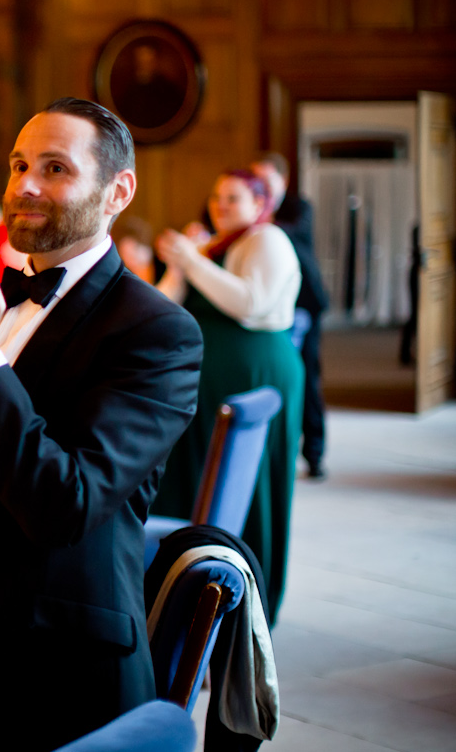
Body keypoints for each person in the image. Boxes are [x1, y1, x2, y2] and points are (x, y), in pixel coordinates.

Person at [0, 97, 203, 752]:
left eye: (55, 168)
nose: (23, 184)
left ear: (117, 191)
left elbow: (63, 504)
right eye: (19, 164)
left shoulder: (156, 331)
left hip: (69, 678)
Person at [154, 167, 303, 622]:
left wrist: (191, 259)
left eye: (234, 198)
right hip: (206, 384)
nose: (222, 206)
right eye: (217, 197)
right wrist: (183, 261)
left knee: (244, 483)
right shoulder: (213, 246)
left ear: (260, 205)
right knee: (196, 479)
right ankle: (187, 589)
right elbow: (167, 304)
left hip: (254, 375)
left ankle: (246, 596)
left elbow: (250, 304)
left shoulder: (267, 240)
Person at [253, 152, 329, 479]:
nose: (263, 189)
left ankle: (314, 453)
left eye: (267, 182)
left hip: (304, 302)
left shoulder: (299, 208)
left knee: (308, 376)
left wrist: (257, 218)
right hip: (267, 305)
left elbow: (291, 236)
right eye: (256, 182)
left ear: (282, 181)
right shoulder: (247, 203)